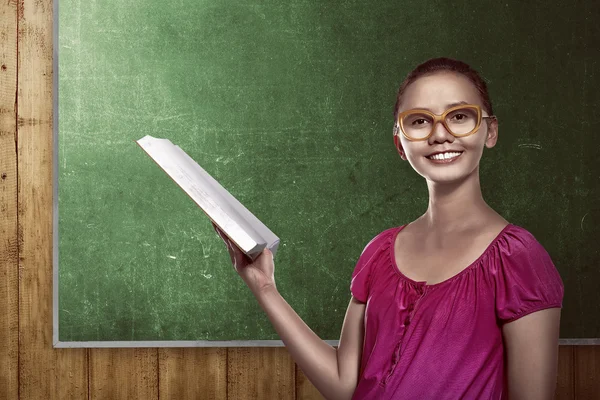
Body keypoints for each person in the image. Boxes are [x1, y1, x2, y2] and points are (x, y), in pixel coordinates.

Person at [212, 57, 564, 400]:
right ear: (400, 142)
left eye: (459, 117)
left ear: (490, 131)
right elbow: (343, 384)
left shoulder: (517, 257)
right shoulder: (380, 251)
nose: (440, 134)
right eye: (420, 121)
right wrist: (265, 288)